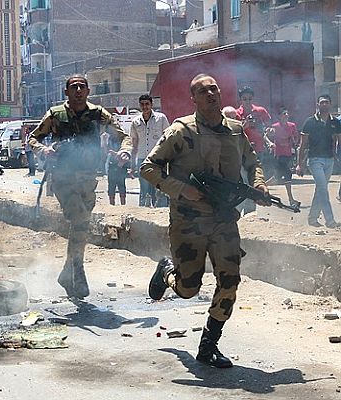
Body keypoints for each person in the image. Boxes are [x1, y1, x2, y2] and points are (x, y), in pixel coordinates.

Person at [140, 74, 269, 368]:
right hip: (189, 221)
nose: (211, 93)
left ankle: (209, 345)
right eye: (203, 90)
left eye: (214, 88)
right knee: (188, 289)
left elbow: (253, 163)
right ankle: (166, 272)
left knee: (230, 281)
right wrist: (182, 189)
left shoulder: (236, 130)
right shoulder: (180, 131)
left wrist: (259, 185)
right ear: (193, 99)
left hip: (224, 220)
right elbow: (148, 168)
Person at [28, 74, 132, 299]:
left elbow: (123, 136)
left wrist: (125, 151)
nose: (77, 90)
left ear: (88, 91)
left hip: (88, 180)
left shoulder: (98, 114)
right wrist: (43, 150)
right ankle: (78, 268)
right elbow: (33, 139)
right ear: (66, 92)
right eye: (73, 87)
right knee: (81, 219)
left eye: (81, 86)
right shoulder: (55, 114)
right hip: (63, 179)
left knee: (81, 226)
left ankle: (68, 272)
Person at [296, 94, 341, 228]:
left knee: (320, 189)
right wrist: (300, 164)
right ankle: (330, 220)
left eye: (327, 102)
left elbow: (339, 140)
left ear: (330, 104)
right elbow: (302, 145)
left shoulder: (335, 122)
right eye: (322, 102)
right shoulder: (309, 122)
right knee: (323, 188)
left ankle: (312, 218)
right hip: (315, 159)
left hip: (329, 160)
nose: (324, 104)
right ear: (317, 105)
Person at [130, 94, 170, 207]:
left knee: (159, 188)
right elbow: (134, 144)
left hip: (158, 159)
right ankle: (143, 215)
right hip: (142, 160)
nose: (145, 107)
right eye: (142, 104)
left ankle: (161, 214)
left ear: (151, 105)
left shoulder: (161, 118)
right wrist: (133, 165)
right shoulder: (135, 122)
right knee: (144, 189)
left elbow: (167, 138)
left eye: (147, 104)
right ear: (139, 106)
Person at [266, 108, 300, 207]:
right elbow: (266, 135)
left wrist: (294, 143)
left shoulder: (292, 126)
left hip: (288, 154)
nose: (286, 115)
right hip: (279, 155)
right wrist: (270, 143)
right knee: (287, 175)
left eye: (287, 114)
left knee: (277, 177)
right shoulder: (275, 127)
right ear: (279, 116)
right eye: (283, 114)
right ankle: (291, 200)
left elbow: (295, 138)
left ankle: (261, 187)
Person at [106, 133, 130, 205]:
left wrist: (121, 158)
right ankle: (112, 205)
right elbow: (108, 150)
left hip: (122, 164)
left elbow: (128, 151)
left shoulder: (124, 139)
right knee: (111, 186)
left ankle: (123, 205)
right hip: (112, 164)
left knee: (121, 185)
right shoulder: (110, 138)